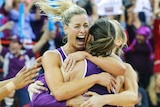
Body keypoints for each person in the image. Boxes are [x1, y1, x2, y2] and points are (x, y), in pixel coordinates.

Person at [28, 0, 126, 107]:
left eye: (86, 25)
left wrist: (87, 55)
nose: (83, 30)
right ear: (65, 29)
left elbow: (120, 68)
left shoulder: (94, 50)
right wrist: (96, 78)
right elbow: (58, 92)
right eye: (77, 26)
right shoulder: (53, 56)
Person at [0, 28, 50, 107]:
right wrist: (4, 27)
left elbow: (42, 41)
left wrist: (49, 25)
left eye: (14, 42)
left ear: (20, 45)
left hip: (23, 85)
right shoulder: (6, 53)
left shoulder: (27, 54)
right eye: (11, 42)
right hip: (8, 84)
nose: (11, 44)